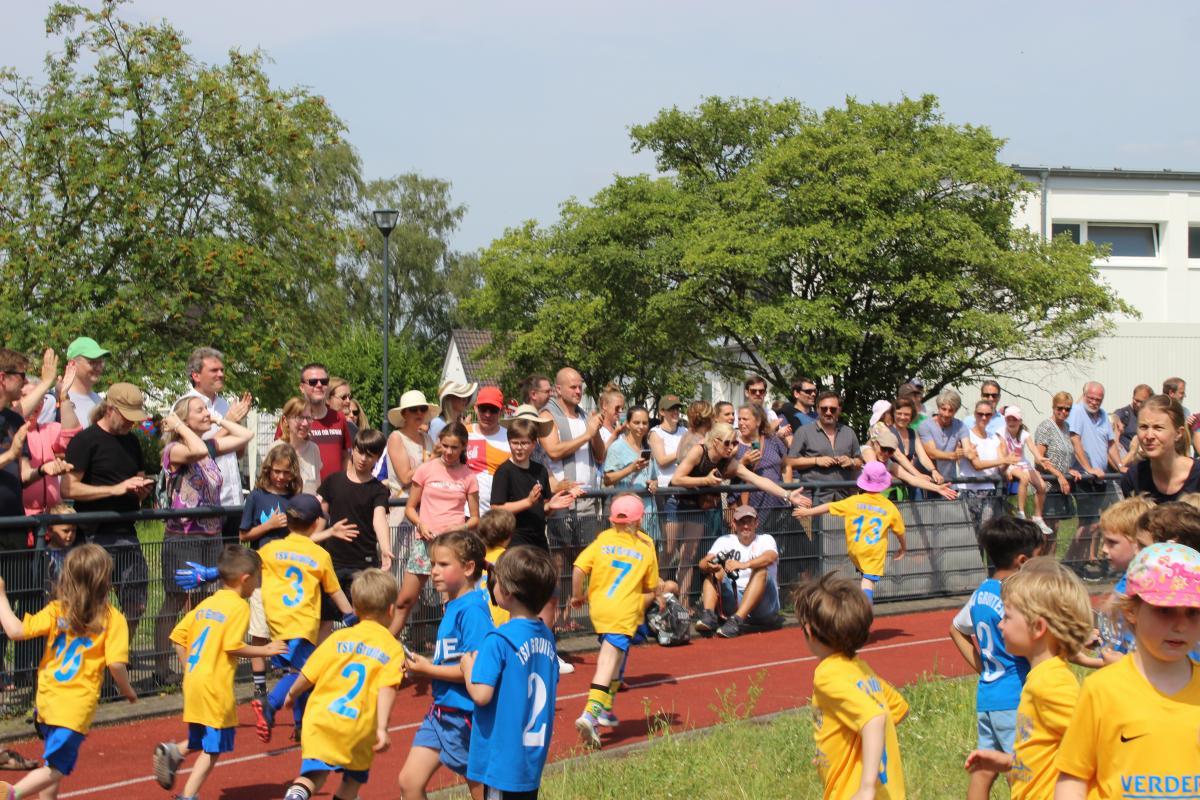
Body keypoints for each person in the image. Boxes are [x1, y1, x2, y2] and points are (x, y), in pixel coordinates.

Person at [1054, 542, 1200, 800]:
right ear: (1131, 611)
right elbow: (1073, 777)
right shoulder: (1102, 690)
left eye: (1193, 612)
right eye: (1165, 611)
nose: (1180, 625)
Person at [0, 544, 137, 800]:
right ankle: (11, 793)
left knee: (51, 762)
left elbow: (15, 631)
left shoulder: (57, 610)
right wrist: (127, 690)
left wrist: (1, 597)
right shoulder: (113, 618)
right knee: (57, 767)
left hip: (46, 701)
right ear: (105, 580)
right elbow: (116, 665)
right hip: (74, 707)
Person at [151, 546, 284, 800]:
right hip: (215, 685)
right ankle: (188, 795)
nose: (259, 583)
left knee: (200, 737)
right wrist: (266, 649)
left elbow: (178, 638)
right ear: (245, 579)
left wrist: (190, 668)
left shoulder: (207, 603)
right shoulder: (239, 607)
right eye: (258, 578)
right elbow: (232, 645)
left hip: (194, 681)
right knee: (214, 746)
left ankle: (174, 753)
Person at [962, 560, 1093, 799]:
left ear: (1038, 627)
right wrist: (1009, 762)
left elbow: (1091, 742)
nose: (1000, 624)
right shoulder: (1039, 677)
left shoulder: (1051, 683)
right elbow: (1046, 751)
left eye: (1007, 616)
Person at [279, 569, 406, 800]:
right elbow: (387, 688)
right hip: (357, 727)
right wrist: (381, 727)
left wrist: (291, 694)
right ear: (391, 610)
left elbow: (308, 674)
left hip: (321, 720)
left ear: (355, 609)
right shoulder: (392, 648)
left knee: (313, 775)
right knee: (352, 781)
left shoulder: (337, 638)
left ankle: (296, 795)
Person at [154, 394, 254, 685]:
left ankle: (200, 658)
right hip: (184, 536)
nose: (206, 413)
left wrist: (221, 419)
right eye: (200, 410)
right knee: (176, 597)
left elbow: (245, 435)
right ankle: (162, 666)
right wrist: (178, 426)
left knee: (204, 599)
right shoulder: (175, 449)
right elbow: (196, 451)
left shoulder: (206, 445)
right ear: (184, 418)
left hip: (211, 535)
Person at [249, 494, 356, 745]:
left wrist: (213, 573)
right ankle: (270, 705)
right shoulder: (319, 555)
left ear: (287, 521)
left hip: (277, 624)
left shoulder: (270, 549)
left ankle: (300, 726)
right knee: (303, 675)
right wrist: (351, 616)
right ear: (316, 523)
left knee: (297, 673)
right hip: (303, 623)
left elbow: (247, 566)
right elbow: (334, 591)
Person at [948, 516, 1043, 800]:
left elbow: (956, 629)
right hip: (1014, 697)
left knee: (984, 769)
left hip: (988, 696)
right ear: (1023, 561)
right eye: (1039, 559)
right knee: (1023, 772)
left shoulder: (982, 592)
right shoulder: (1014, 598)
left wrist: (984, 668)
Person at [795, 573, 908, 800]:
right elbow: (897, 708)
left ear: (809, 631)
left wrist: (866, 787)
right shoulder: (861, 670)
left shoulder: (827, 675)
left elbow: (874, 718)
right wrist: (835, 751)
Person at [460, 546, 560, 800]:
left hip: (502, 761)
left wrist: (467, 668)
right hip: (531, 758)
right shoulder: (547, 636)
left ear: (506, 592)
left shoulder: (498, 640)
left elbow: (481, 695)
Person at [399, 531, 492, 800]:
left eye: (443, 564)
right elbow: (453, 659)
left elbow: (475, 670)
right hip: (440, 713)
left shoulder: (472, 610)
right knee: (409, 782)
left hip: (465, 716)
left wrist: (427, 670)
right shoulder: (453, 605)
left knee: (481, 790)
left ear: (468, 568)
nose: (434, 571)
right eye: (432, 564)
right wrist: (424, 664)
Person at [673, 423, 809, 607]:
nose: (732, 448)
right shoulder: (699, 451)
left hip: (698, 506)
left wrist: (787, 494)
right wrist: (706, 480)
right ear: (715, 441)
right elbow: (677, 478)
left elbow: (758, 480)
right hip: (676, 502)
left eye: (735, 443)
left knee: (690, 555)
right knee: (669, 553)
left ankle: (684, 604)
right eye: (727, 443)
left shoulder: (729, 462)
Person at [62, 384, 155, 639]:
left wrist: (141, 490)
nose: (131, 423)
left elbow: (138, 479)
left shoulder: (132, 441)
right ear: (110, 409)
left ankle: (118, 653)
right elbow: (68, 488)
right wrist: (114, 489)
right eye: (126, 417)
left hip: (127, 533)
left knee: (136, 605)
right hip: (93, 535)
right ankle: (92, 654)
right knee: (90, 607)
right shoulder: (85, 440)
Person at [571, 494, 660, 749]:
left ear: (612, 520)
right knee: (608, 662)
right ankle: (590, 713)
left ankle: (605, 707)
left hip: (600, 610)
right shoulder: (646, 546)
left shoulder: (603, 540)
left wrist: (578, 596)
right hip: (623, 612)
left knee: (617, 659)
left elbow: (578, 568)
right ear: (639, 520)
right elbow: (650, 587)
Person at [397, 422, 479, 636]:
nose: (449, 452)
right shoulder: (426, 469)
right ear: (439, 443)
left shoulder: (468, 476)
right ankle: (388, 641)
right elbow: (410, 508)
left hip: (452, 547)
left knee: (450, 604)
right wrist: (421, 524)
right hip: (425, 543)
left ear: (463, 447)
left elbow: (475, 518)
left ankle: (454, 644)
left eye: (454, 447)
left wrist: (459, 527)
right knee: (405, 600)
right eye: (445, 446)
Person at [239, 443, 303, 697]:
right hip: (261, 574)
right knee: (259, 629)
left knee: (287, 627)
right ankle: (259, 685)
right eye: (277, 471)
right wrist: (269, 525)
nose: (281, 477)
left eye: (286, 472)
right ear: (268, 469)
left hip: (287, 574)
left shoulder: (294, 499)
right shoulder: (256, 497)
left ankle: (287, 677)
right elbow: (244, 535)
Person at [793, 461, 906, 603]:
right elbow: (900, 531)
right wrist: (903, 547)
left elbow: (829, 506)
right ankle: (865, 610)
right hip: (874, 552)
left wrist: (807, 512)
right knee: (868, 582)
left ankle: (855, 600)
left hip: (855, 549)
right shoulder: (889, 507)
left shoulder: (853, 501)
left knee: (863, 577)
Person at [318, 429, 393, 635]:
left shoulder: (378, 489)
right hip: (332, 562)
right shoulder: (333, 481)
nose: (363, 459)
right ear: (353, 450)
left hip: (363, 564)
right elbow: (319, 518)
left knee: (364, 620)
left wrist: (385, 549)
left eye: (370, 455)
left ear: (377, 458)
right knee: (325, 621)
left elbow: (379, 518)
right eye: (360, 452)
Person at [181, 347, 252, 543]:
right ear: (196, 375)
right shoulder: (185, 407)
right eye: (214, 370)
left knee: (230, 559)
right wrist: (229, 421)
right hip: (204, 505)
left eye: (222, 370)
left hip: (232, 499)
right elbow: (194, 453)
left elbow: (237, 454)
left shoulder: (224, 404)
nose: (221, 374)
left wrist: (237, 424)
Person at [539, 367, 605, 554]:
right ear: (558, 389)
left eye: (580, 387)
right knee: (561, 559)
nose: (578, 391)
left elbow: (600, 456)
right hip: (562, 500)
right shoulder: (547, 415)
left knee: (587, 558)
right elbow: (553, 451)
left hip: (587, 499)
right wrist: (587, 435)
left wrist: (595, 432)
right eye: (573, 387)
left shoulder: (585, 416)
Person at [695, 505, 781, 638]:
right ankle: (709, 616)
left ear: (756, 523)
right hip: (735, 598)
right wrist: (709, 565)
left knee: (761, 570)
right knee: (714, 572)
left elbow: (770, 557)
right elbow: (703, 563)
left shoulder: (766, 539)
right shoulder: (724, 540)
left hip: (764, 606)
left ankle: (737, 621)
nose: (745, 526)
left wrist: (743, 565)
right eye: (741, 522)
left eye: (749, 522)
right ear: (734, 524)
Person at [1066, 382, 1122, 576]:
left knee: (1093, 525)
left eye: (1098, 399)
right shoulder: (1077, 411)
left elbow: (1110, 444)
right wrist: (1088, 468)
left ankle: (1077, 564)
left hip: (1100, 478)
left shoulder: (1103, 415)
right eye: (1091, 398)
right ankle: (1069, 562)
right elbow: (1075, 440)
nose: (1094, 402)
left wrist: (1120, 465)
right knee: (1088, 525)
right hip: (1084, 478)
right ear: (1084, 395)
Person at [1119, 394, 1200, 502]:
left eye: (1158, 428)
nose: (1149, 436)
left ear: (1179, 433)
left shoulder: (1197, 476)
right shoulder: (1134, 478)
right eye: (1143, 427)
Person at [786, 391, 863, 502]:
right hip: (813, 498)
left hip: (843, 499)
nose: (828, 412)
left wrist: (851, 461)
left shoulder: (849, 432)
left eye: (833, 409)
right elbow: (790, 462)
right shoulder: (804, 432)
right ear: (817, 409)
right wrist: (816, 461)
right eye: (824, 409)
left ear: (839, 410)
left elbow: (859, 462)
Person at [288, 363, 352, 483]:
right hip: (303, 491)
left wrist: (346, 485)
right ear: (302, 387)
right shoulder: (291, 419)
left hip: (335, 491)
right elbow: (280, 455)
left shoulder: (339, 418)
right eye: (313, 382)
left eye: (324, 381)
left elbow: (346, 456)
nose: (319, 385)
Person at [602, 404, 658, 540]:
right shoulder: (617, 447)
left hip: (648, 511)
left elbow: (654, 477)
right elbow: (608, 479)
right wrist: (631, 468)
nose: (641, 426)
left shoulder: (648, 447)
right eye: (636, 422)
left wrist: (654, 483)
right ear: (627, 424)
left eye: (644, 423)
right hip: (626, 512)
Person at [958, 400, 1018, 527]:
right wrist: (1004, 460)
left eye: (988, 414)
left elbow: (1001, 468)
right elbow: (977, 465)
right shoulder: (966, 436)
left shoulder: (994, 438)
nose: (984, 417)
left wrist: (1009, 461)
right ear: (975, 414)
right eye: (980, 414)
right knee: (969, 532)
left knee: (986, 531)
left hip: (989, 490)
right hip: (969, 489)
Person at [734, 404, 790, 534]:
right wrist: (743, 462)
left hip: (777, 505)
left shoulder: (773, 440)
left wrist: (787, 491)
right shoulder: (734, 445)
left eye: (745, 419)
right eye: (740, 419)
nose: (741, 423)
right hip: (750, 509)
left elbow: (786, 466)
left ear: (758, 421)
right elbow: (728, 473)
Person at [1000, 407, 1053, 535]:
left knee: (1042, 486)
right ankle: (1021, 512)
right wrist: (1006, 467)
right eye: (1008, 419)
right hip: (1010, 463)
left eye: (1014, 419)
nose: (1011, 422)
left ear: (1020, 421)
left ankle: (1038, 517)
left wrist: (1040, 458)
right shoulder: (1001, 432)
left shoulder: (1024, 434)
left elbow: (1032, 448)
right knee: (1023, 478)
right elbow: (1002, 450)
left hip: (1023, 463)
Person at [1033, 391, 1080, 530]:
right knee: (1046, 531)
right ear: (1053, 407)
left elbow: (1062, 454)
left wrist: (1068, 470)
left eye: (1067, 409)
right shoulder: (1046, 427)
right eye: (1060, 408)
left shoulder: (1066, 427)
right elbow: (1038, 459)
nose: (1063, 412)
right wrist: (1058, 474)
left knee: (1055, 529)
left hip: (1060, 486)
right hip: (1047, 487)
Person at [649, 395, 685, 557]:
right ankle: (660, 574)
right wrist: (684, 452)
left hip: (685, 491)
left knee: (686, 549)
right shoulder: (655, 433)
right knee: (669, 548)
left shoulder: (684, 431)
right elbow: (662, 460)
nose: (675, 412)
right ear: (662, 412)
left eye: (677, 408)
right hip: (666, 493)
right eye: (671, 409)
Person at [465, 386, 511, 515]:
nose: (487, 414)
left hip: (498, 516)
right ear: (475, 408)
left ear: (501, 411)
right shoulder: (463, 433)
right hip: (466, 514)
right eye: (483, 408)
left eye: (493, 410)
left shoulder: (510, 438)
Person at [56, 337, 110, 428]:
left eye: (100, 362)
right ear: (72, 364)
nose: (98, 367)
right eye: (92, 362)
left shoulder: (99, 401)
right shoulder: (55, 398)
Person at [919, 389, 968, 489]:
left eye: (951, 410)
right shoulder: (925, 425)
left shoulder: (960, 425)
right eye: (943, 409)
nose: (946, 414)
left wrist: (969, 451)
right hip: (928, 480)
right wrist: (954, 455)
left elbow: (968, 448)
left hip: (950, 481)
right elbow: (932, 453)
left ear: (956, 411)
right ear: (938, 408)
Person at [274, 397, 323, 494]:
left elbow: (317, 486)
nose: (305, 423)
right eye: (299, 417)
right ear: (285, 420)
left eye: (308, 418)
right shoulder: (275, 449)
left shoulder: (313, 449)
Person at [477, 509, 516, 627]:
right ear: (509, 535)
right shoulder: (511, 559)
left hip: (479, 620)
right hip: (504, 621)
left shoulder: (475, 558)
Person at [1113, 383, 1153, 452]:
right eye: (1136, 400)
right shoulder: (1124, 413)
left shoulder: (1151, 416)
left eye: (1142, 402)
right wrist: (1116, 419)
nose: (1138, 404)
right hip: (1128, 456)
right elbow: (1113, 417)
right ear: (1133, 397)